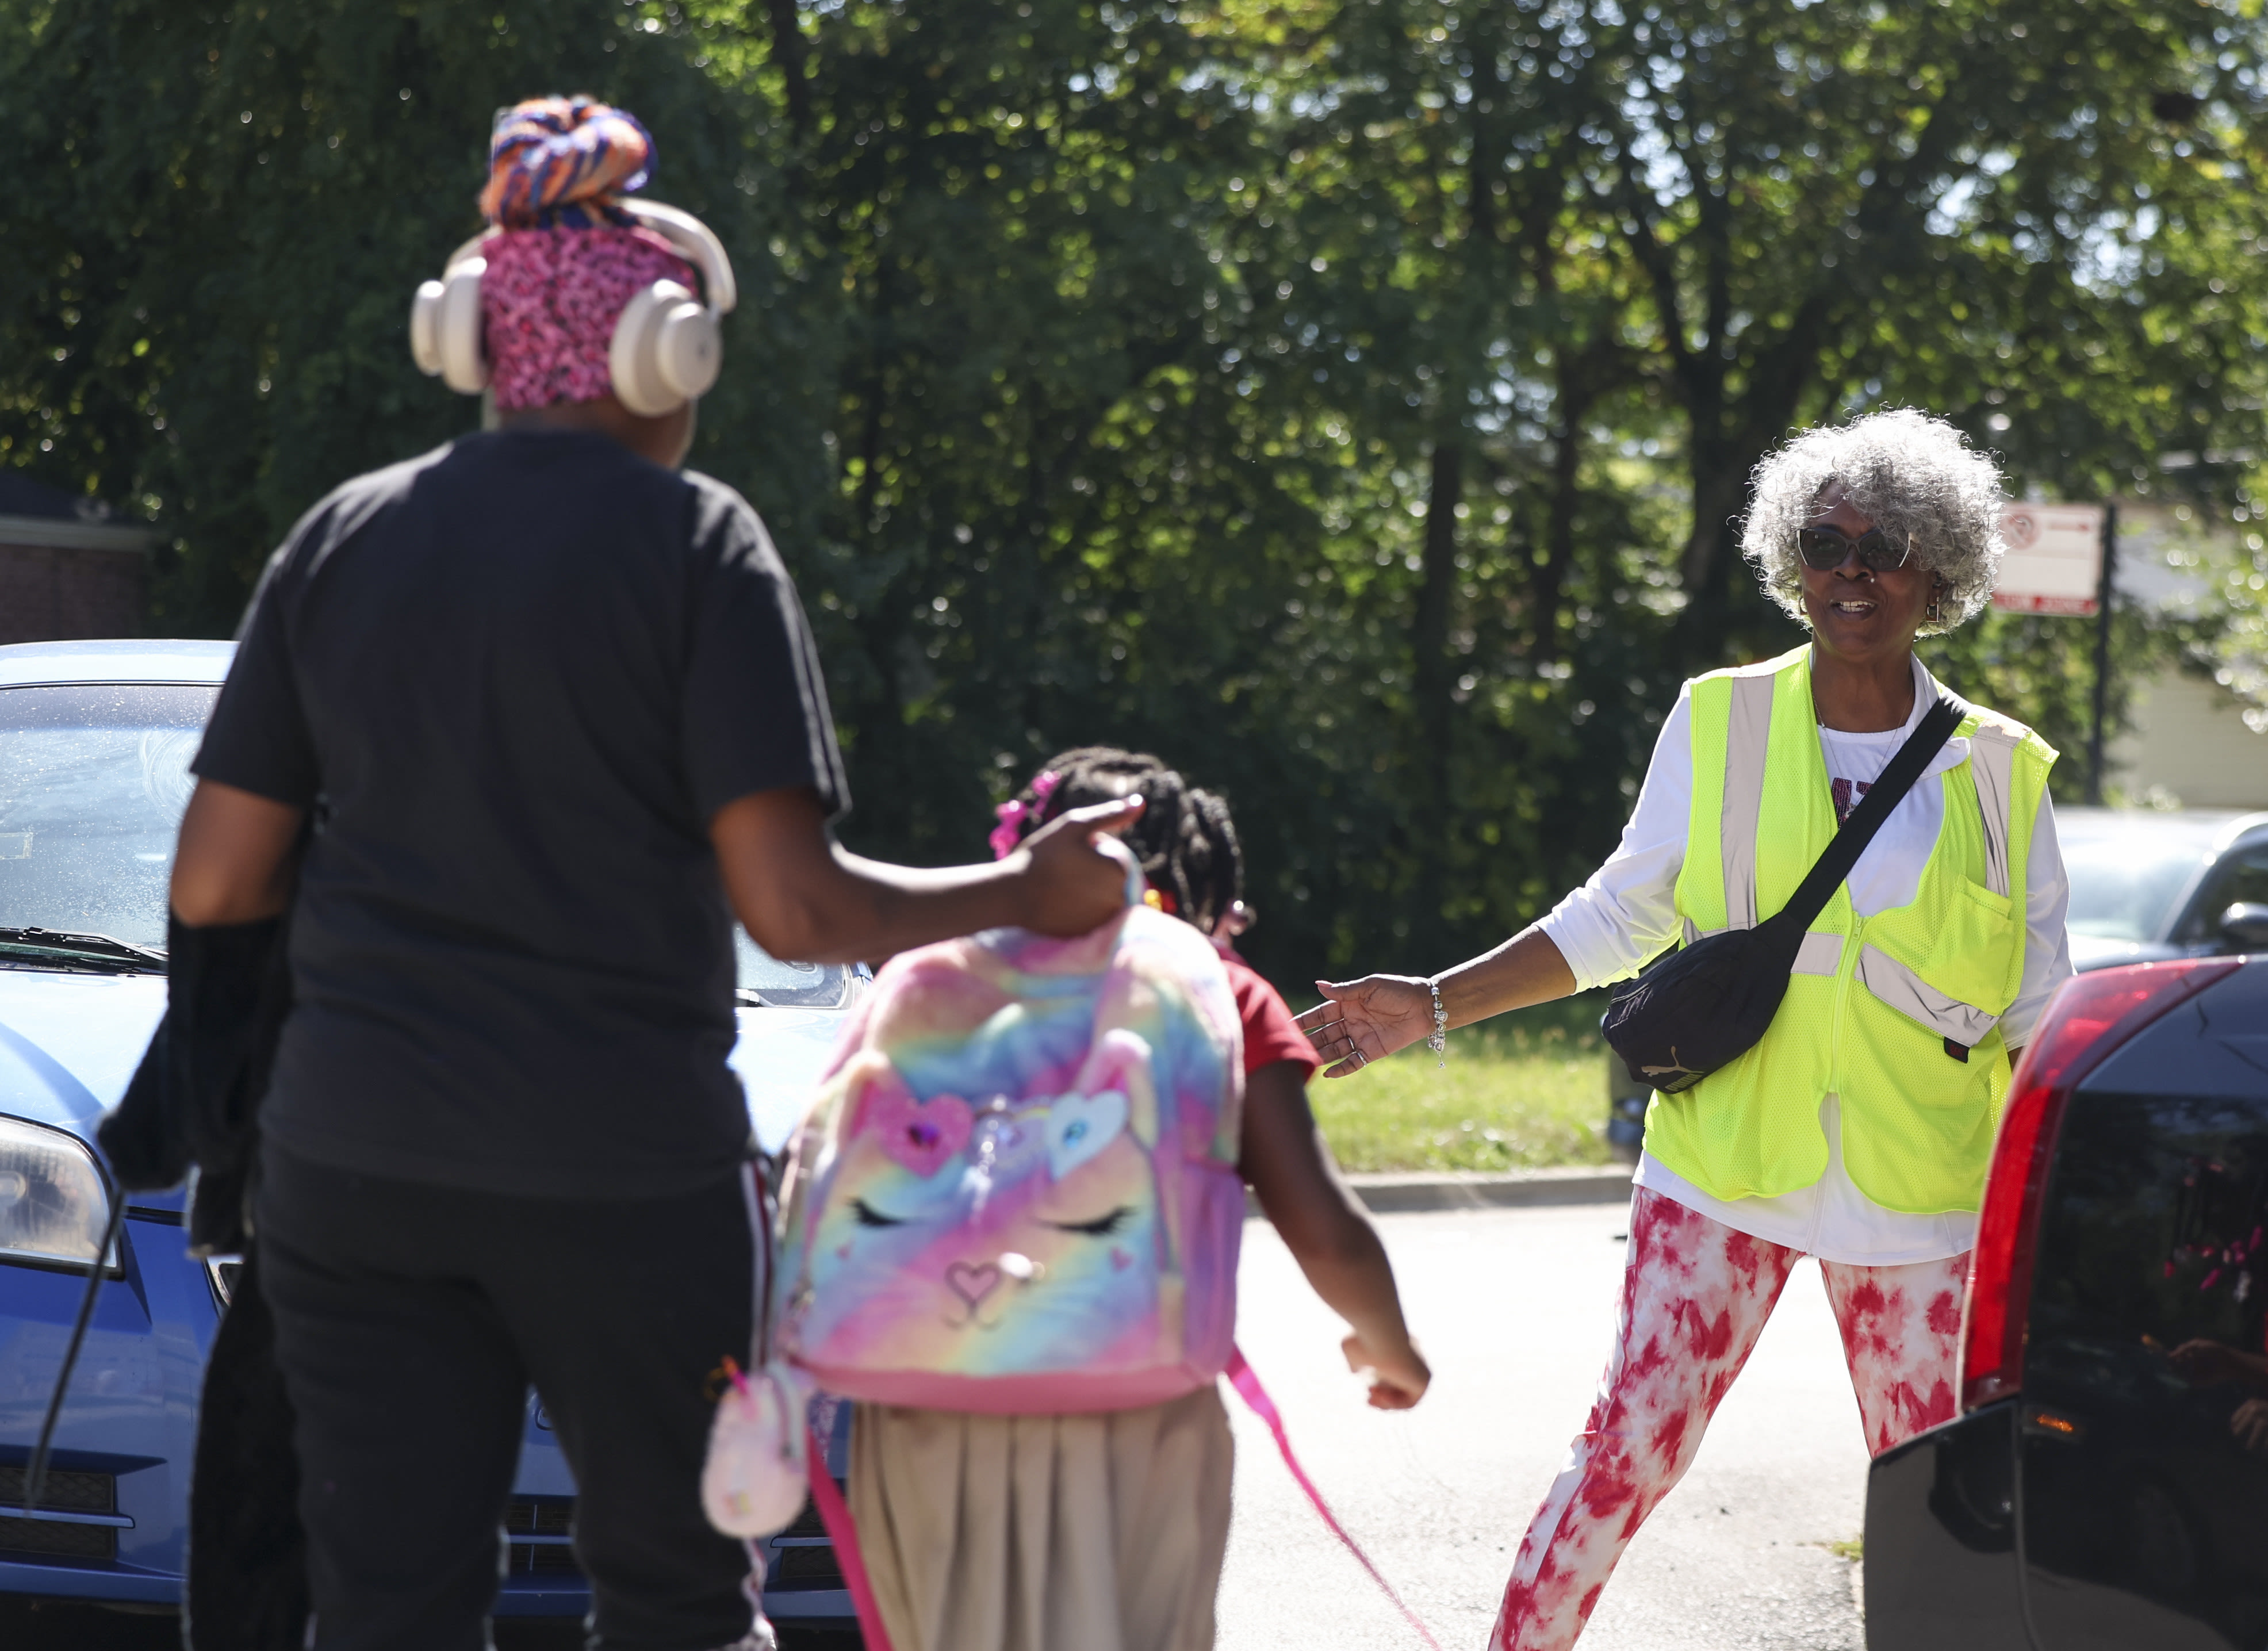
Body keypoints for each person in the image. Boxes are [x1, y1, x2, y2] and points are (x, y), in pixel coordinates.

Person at [167, 98, 1137, 1651]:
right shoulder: (698, 543)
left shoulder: (342, 536)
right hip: (616, 1175)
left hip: (351, 1173)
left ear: (470, 337)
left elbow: (217, 883)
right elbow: (797, 910)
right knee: (679, 1599)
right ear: (662, 351)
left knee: (383, 1608)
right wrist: (1027, 889)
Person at [1297, 409, 2073, 1650]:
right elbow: (1618, 912)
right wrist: (1437, 1000)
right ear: (1791, 560)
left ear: (1940, 572)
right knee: (1626, 1451)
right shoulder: (1719, 718)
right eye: (1825, 543)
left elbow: (2038, 1017)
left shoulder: (2001, 769)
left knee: (1944, 1504)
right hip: (1721, 1163)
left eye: (1887, 546)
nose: (1852, 571)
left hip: (1922, 1187)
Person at [845, 747, 1431, 1651]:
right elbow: (1322, 1226)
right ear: (1201, 900)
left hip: (925, 1408)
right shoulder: (1216, 994)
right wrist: (1392, 1351)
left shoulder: (928, 980)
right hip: (1129, 1414)